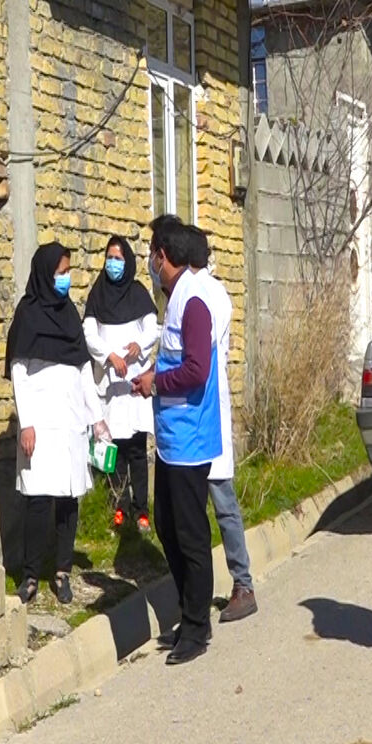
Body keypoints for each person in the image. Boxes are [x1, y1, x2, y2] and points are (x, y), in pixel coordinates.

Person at [132, 218, 222, 666]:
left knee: (190, 535)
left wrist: (154, 381)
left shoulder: (194, 302)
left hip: (190, 440)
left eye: (152, 253)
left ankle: (197, 628)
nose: (150, 262)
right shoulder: (177, 298)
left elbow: (196, 370)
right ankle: (189, 616)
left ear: (163, 256)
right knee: (167, 525)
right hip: (171, 440)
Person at [6, 243, 108, 606]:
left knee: (68, 499)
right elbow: (19, 371)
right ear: (46, 273)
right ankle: (31, 574)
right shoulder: (29, 314)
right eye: (61, 272)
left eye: (68, 272)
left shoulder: (69, 316)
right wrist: (27, 423)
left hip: (70, 424)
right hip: (41, 424)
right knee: (37, 500)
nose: (66, 279)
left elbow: (83, 372)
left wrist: (97, 419)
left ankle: (62, 571)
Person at [179, 220, 257, 623]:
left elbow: (195, 355)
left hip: (204, 410)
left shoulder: (206, 295)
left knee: (220, 501)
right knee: (197, 506)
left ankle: (241, 584)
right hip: (193, 413)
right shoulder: (199, 291)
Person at [82, 236, 158, 531]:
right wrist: (107, 355)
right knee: (114, 449)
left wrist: (139, 344)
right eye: (109, 257)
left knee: (137, 448)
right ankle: (119, 507)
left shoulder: (138, 293)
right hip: (110, 383)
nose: (112, 263)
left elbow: (152, 327)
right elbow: (89, 333)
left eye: (118, 258)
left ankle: (141, 509)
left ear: (127, 261)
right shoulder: (98, 294)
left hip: (133, 383)